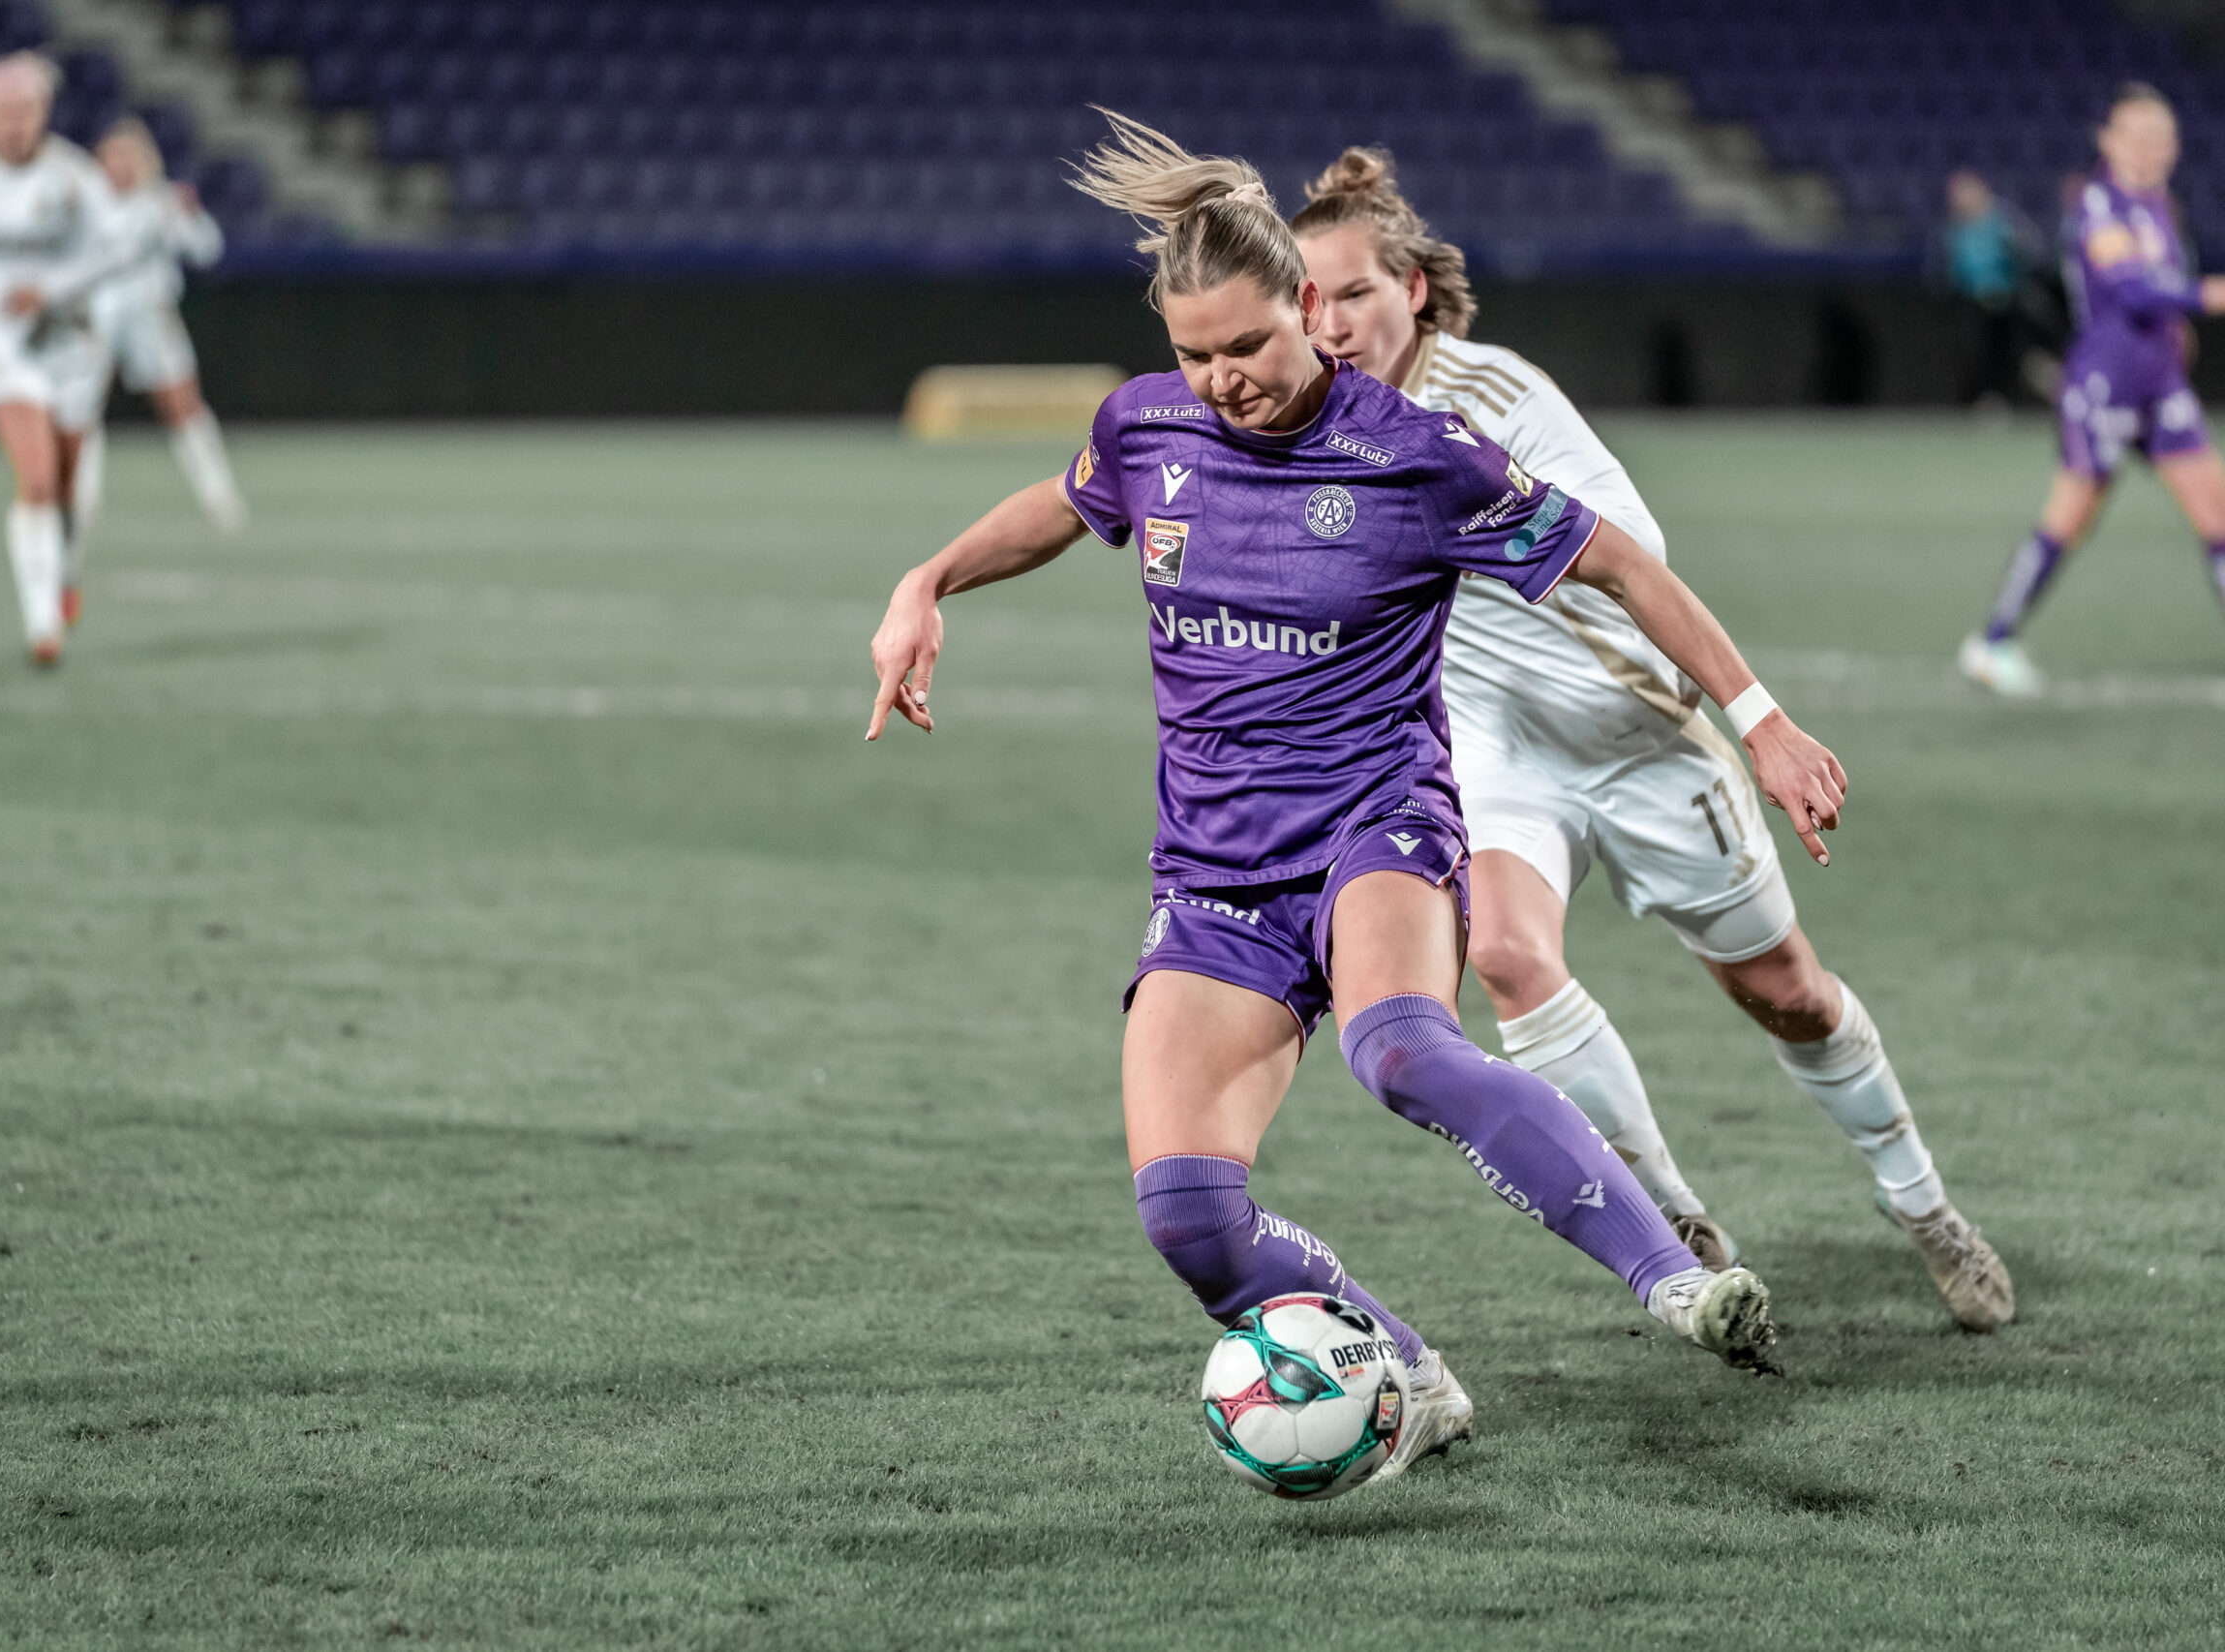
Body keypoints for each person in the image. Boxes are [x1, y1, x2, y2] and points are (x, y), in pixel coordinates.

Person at [868, 114, 1844, 1475]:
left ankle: (1676, 1279)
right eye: (1194, 354)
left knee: (1402, 1050)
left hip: (1375, 822)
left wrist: (1762, 720)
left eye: (1246, 346)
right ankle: (1408, 1377)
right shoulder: (1148, 426)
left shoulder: (1415, 454)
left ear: (1308, 312)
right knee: (1187, 1214)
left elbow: (1621, 564)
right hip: (1213, 870)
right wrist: (926, 582)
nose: (1221, 380)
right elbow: (1064, 499)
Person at [1292, 148, 2013, 1332]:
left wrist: (1759, 722)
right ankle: (1675, 1219)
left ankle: (1925, 1207)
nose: (1329, 325)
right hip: (1496, 749)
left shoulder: (1497, 400)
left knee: (1788, 996)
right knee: (1504, 953)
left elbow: (1634, 555)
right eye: (1309, 299)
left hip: (1635, 733)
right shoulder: (1310, 418)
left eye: (1355, 293)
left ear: (1412, 289)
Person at [1961, 84, 2225, 696]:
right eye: (2136, 135)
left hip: (2161, 386)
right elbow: (2132, 288)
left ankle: (1994, 642)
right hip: (2105, 388)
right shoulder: (2099, 206)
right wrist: (2206, 294)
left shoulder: (2158, 206)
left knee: (2217, 515)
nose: (2149, 147)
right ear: (2107, 141)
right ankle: (1992, 642)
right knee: (2069, 521)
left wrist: (2176, 330)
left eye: (2160, 136)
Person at [0, 53, 134, 667]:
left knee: (68, 491)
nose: (13, 125)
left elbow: (118, 250)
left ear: (44, 114)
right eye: (1, 113)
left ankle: (66, 571)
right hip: (7, 350)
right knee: (34, 478)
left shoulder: (74, 177)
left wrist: (53, 290)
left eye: (24, 111)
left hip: (74, 347)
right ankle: (42, 624)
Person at [75, 116, 245, 548]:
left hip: (150, 314)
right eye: (113, 155)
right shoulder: (85, 201)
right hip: (98, 313)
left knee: (183, 405)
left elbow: (206, 250)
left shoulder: (160, 201)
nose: (120, 164)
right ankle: (80, 499)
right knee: (81, 405)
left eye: (130, 155)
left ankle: (218, 494)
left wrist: (190, 215)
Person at [1934, 168, 2048, 408]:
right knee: (1974, 352)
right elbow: (1950, 268)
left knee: (2007, 351)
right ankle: (1977, 398)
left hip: (2006, 299)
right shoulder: (1956, 229)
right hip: (1973, 301)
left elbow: (2029, 249)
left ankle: (2002, 396)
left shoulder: (2001, 219)